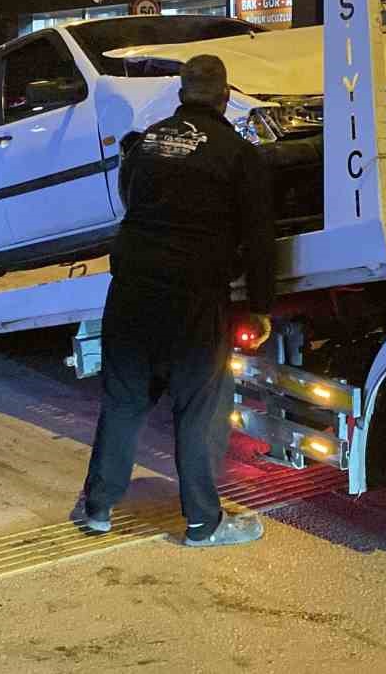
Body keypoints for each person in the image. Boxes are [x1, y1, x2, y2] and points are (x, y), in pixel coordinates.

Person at [80, 53, 275, 547]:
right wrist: (261, 304)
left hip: (131, 287)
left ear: (181, 95)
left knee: (123, 401)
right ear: (225, 97)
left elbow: (129, 200)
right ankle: (202, 523)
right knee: (197, 409)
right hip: (193, 294)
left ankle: (99, 508)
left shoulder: (145, 144)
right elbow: (258, 236)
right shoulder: (237, 153)